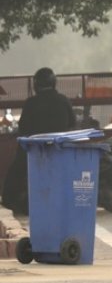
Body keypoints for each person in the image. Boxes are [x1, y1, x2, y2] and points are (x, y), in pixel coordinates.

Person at [1, 67, 76, 215]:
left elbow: (23, 127)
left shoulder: (31, 103)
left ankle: (9, 201)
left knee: (16, 171)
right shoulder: (63, 100)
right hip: (59, 149)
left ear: (36, 85)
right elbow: (72, 122)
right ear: (54, 82)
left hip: (34, 150)